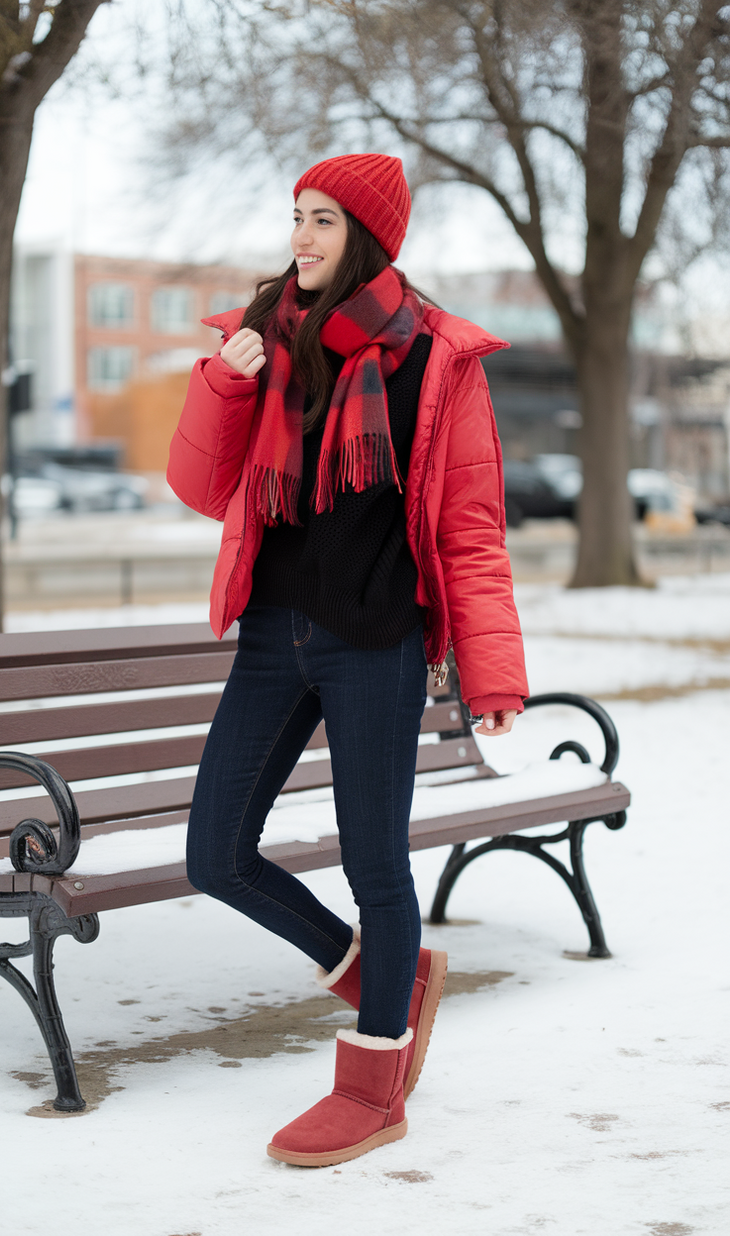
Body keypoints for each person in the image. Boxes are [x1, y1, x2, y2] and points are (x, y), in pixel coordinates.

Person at [167, 153, 528, 1168]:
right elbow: (201, 489)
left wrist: (492, 672)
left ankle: (375, 1084)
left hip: (373, 641)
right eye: (295, 216)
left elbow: (467, 524)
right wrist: (220, 386)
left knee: (375, 862)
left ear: (365, 236)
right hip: (272, 637)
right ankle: (387, 976)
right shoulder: (263, 336)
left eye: (323, 220)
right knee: (215, 853)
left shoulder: (435, 358)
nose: (302, 237)